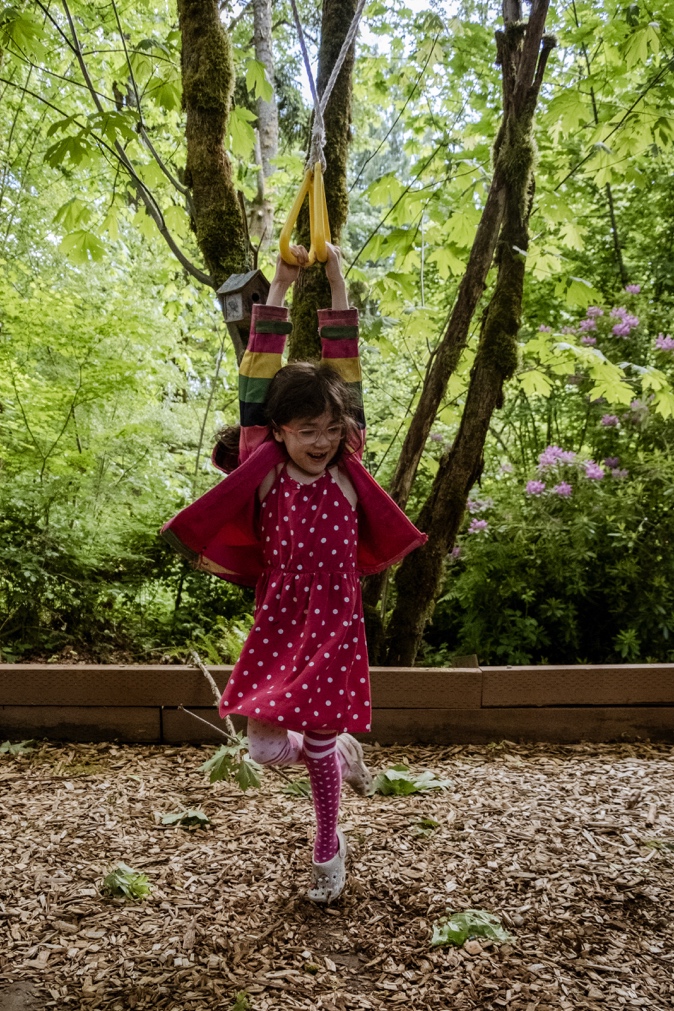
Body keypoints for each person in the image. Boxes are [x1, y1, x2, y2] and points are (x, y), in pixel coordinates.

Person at [162, 243, 426, 903]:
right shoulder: (266, 463)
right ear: (277, 430)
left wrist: (336, 277)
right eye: (308, 430)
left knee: (320, 732)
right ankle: (335, 753)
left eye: (332, 429)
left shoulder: (345, 463)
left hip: (336, 619)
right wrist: (278, 283)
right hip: (279, 615)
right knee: (267, 749)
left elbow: (345, 362)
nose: (323, 440)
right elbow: (259, 367)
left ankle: (328, 844)